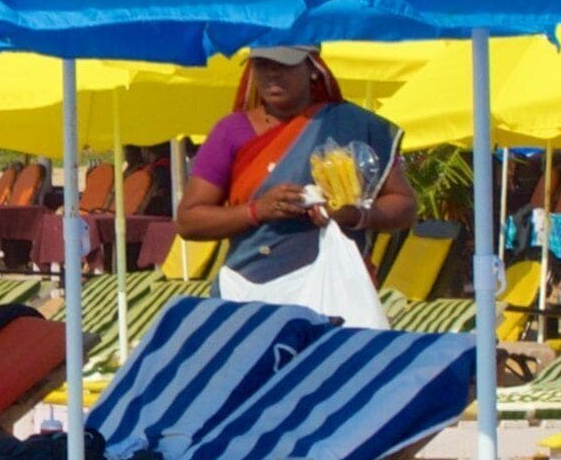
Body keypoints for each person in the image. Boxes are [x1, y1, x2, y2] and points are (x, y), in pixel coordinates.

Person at [174, 47, 410, 324]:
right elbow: (188, 221)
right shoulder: (231, 132)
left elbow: (404, 205)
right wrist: (256, 211)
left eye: (284, 65)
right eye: (262, 66)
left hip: (334, 288)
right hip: (248, 289)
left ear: (312, 69)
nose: (272, 75)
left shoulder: (350, 125)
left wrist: (356, 215)